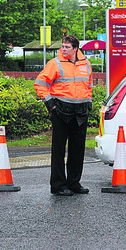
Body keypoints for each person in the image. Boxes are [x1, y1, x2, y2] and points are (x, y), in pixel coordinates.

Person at [34, 35, 93, 196]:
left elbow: (89, 85)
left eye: (67, 47)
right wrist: (50, 105)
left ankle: (74, 183)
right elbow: (40, 84)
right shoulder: (55, 63)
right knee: (59, 150)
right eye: (63, 46)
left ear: (76, 49)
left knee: (77, 150)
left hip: (80, 112)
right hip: (60, 111)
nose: (63, 49)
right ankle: (58, 186)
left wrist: (88, 104)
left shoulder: (86, 64)